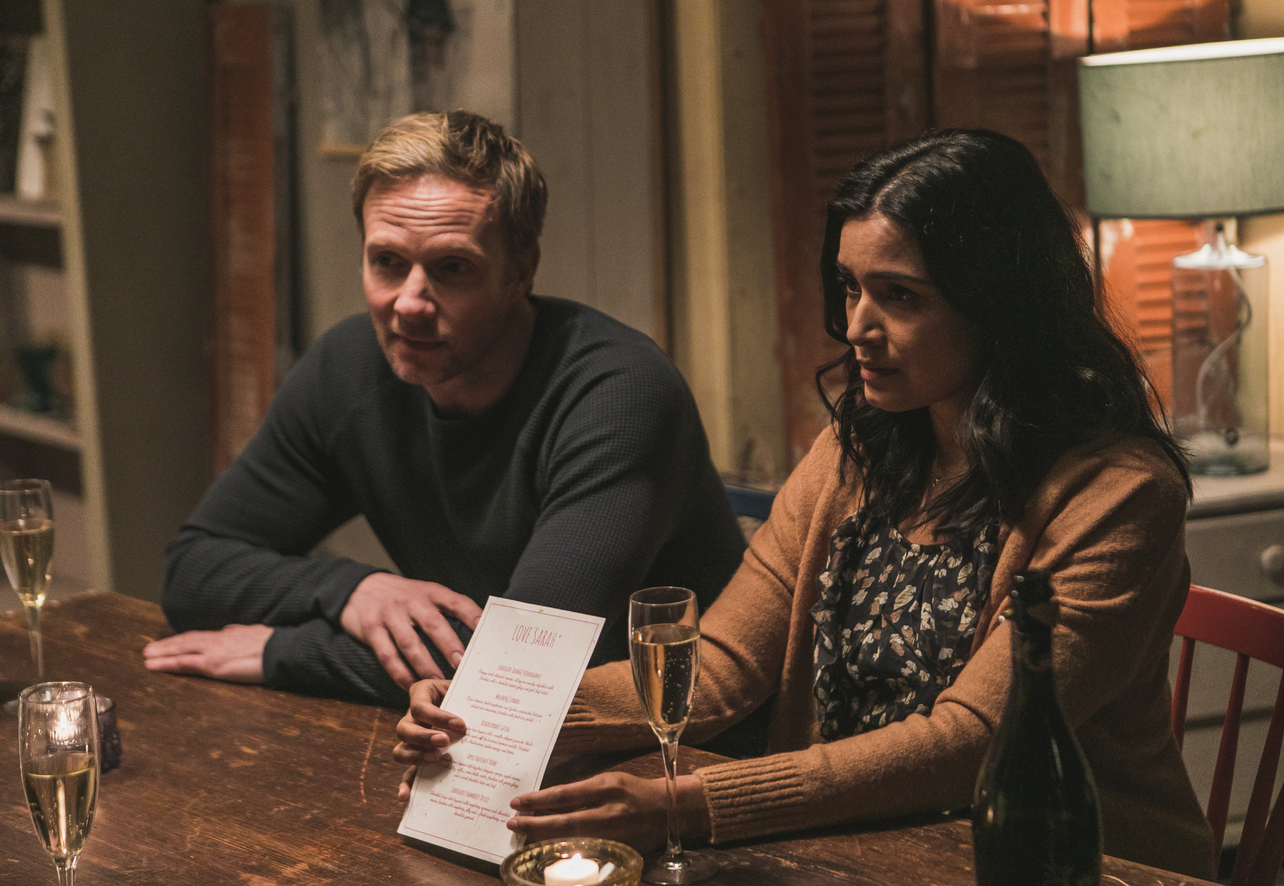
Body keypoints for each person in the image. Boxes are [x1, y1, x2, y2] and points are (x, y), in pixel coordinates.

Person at [393, 128, 1218, 878]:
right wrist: (491, 710)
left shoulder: (1119, 494)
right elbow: (721, 664)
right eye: (850, 287)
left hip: (1069, 862)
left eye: (900, 295)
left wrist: (688, 804)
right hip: (856, 850)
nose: (856, 326)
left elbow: (969, 743)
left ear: (998, 304)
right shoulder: (860, 449)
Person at [145, 111, 745, 706]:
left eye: (452, 268)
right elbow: (194, 572)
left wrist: (284, 651)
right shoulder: (348, 369)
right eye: (387, 262)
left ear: (521, 271)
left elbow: (520, 668)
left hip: (675, 740)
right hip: (475, 731)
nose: (409, 303)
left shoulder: (619, 395)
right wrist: (351, 590)